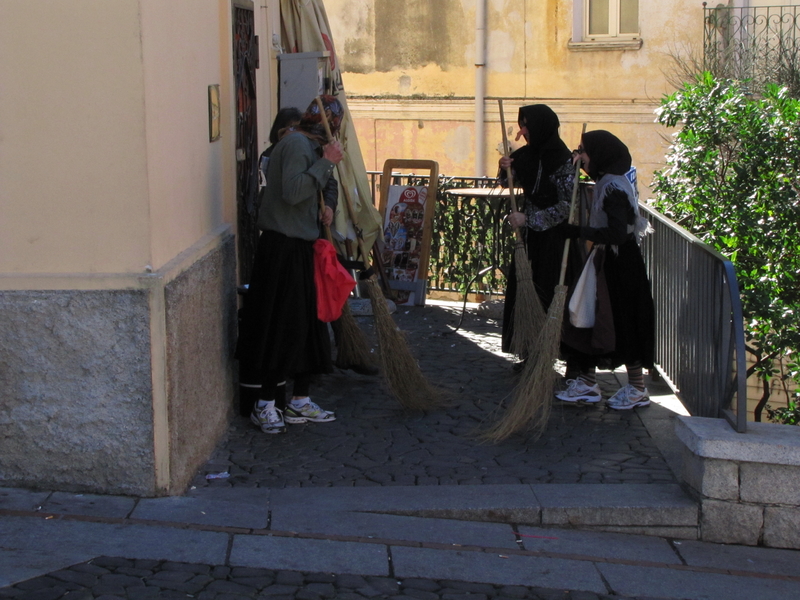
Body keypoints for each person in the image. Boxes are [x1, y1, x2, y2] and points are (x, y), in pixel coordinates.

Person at [236, 96, 344, 434]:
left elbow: (311, 193)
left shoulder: (306, 147)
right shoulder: (297, 144)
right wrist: (325, 162)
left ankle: (299, 401)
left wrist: (323, 207)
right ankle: (265, 404)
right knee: (280, 325)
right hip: (282, 248)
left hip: (301, 245)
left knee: (304, 326)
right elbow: (294, 191)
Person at [555, 130, 655, 409]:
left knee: (619, 321)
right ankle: (587, 383)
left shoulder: (612, 188)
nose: (581, 156)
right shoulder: (609, 182)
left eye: (583, 151)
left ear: (600, 154)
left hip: (618, 266)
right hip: (607, 261)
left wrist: (576, 231)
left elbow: (617, 233)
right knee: (588, 316)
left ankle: (635, 389)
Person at [498, 104, 575, 368]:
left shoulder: (564, 161)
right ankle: (529, 350)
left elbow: (568, 205)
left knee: (548, 291)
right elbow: (509, 181)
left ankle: (550, 354)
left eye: (527, 125)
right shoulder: (525, 156)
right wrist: (505, 167)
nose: (522, 131)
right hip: (529, 241)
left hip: (555, 242)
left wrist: (530, 219)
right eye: (521, 124)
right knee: (526, 290)